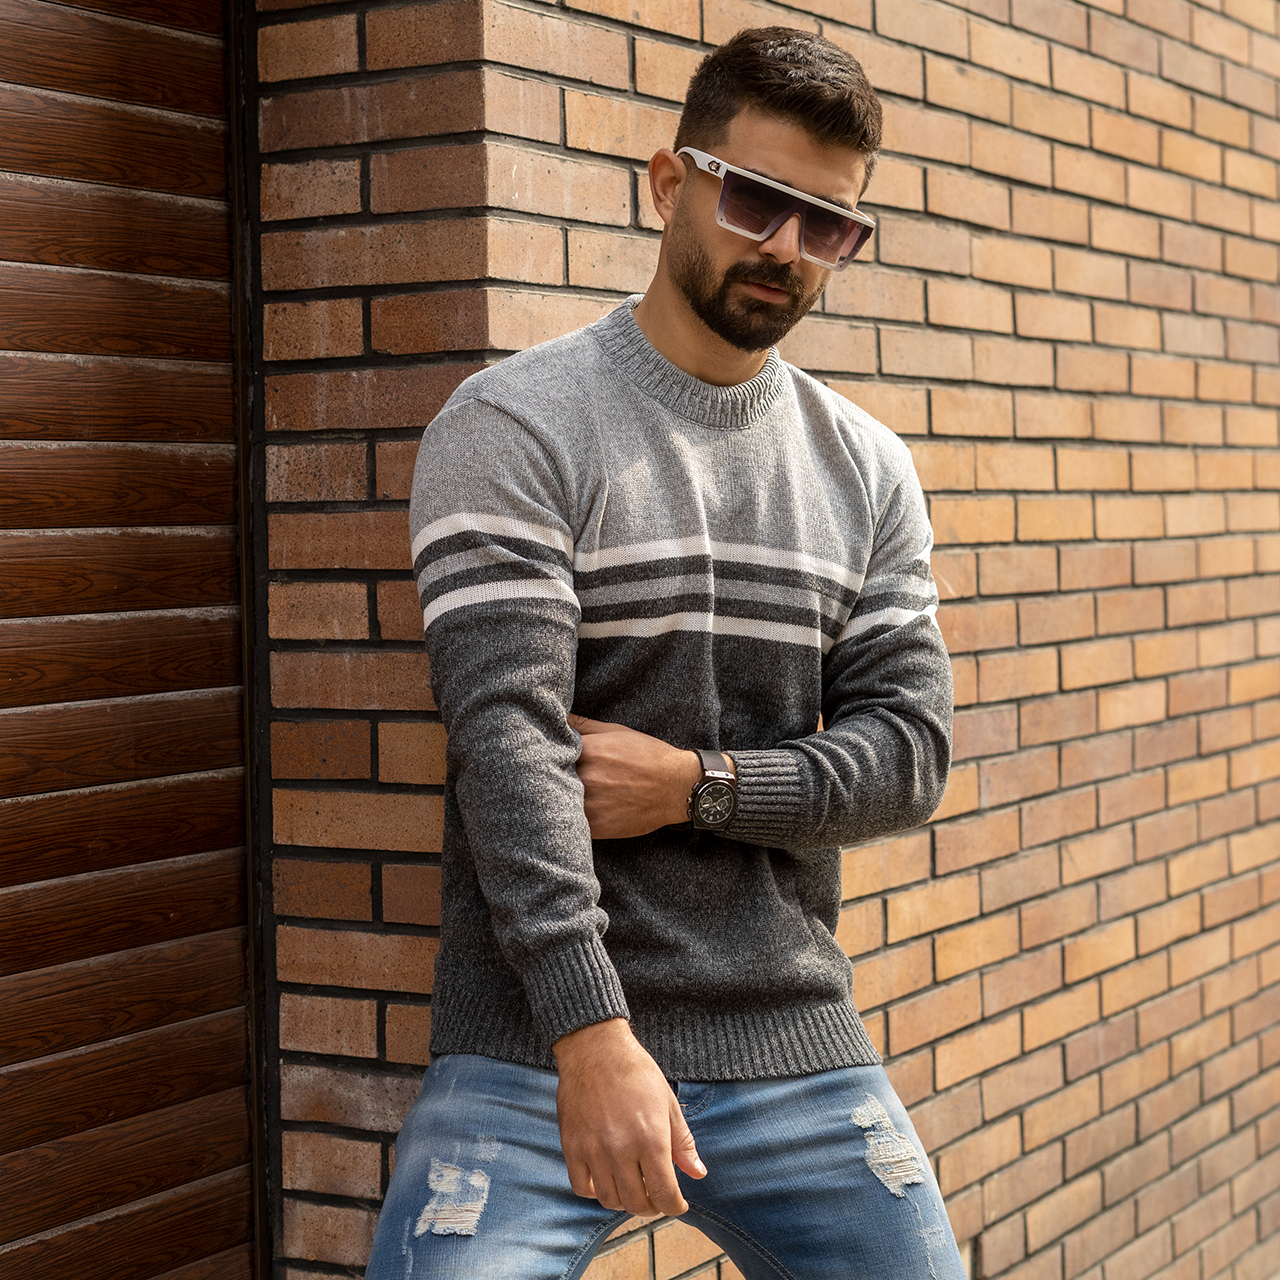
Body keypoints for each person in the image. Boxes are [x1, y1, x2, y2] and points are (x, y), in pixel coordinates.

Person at [365, 26, 963, 1280]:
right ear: (668, 181)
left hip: (789, 1032)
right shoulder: (516, 423)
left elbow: (907, 757)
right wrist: (591, 1033)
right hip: (534, 1041)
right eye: (755, 200)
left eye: (827, 224)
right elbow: (509, 751)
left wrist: (697, 784)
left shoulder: (864, 470)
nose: (786, 246)